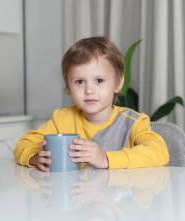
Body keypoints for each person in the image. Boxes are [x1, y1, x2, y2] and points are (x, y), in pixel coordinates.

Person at [14, 36, 169, 171]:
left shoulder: (133, 122)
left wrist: (106, 159)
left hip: (121, 201)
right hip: (77, 198)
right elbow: (24, 144)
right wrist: (35, 157)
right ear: (68, 86)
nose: (89, 90)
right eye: (80, 82)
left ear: (118, 83)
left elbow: (159, 152)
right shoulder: (62, 119)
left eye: (99, 81)